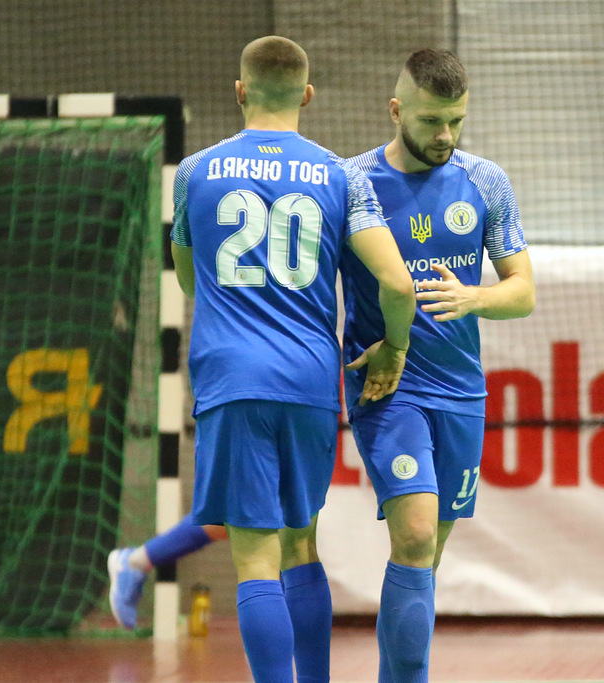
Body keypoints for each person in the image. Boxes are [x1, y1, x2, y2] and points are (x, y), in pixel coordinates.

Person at [106, 35, 416, 683]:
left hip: (231, 377)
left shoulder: (194, 172)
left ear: (240, 90)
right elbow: (397, 283)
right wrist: (394, 344)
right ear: (308, 95)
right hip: (308, 378)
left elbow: (188, 279)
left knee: (254, 559)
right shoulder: (343, 175)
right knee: (302, 545)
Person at [338, 48, 535, 683]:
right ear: (396, 110)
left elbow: (523, 292)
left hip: (460, 392)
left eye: (456, 120)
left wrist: (474, 297)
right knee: (417, 535)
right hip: (388, 386)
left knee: (426, 553)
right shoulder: (352, 181)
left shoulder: (486, 181)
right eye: (430, 121)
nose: (445, 135)